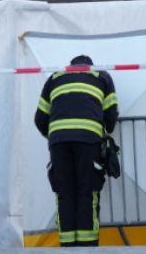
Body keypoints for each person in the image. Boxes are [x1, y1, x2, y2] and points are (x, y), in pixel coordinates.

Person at [35, 54, 118, 247]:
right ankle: (87, 249)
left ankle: (68, 248)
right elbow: (111, 116)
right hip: (88, 141)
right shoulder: (101, 76)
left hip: (59, 143)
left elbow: (40, 119)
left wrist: (56, 136)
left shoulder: (54, 78)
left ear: (70, 66)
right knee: (87, 193)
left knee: (64, 194)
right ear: (90, 66)